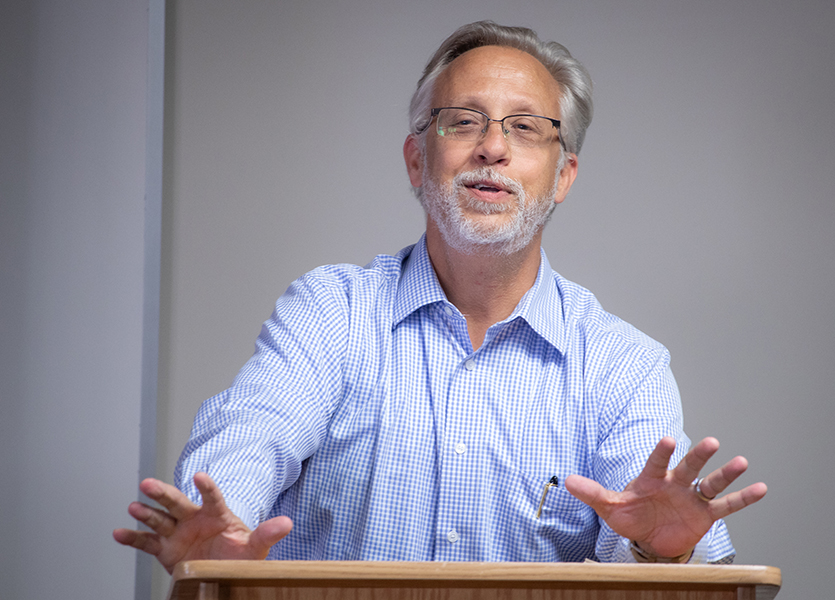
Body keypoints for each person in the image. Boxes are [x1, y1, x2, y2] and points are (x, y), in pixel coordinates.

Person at [114, 21, 766, 573]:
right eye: (463, 122)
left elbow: (684, 564)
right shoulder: (329, 312)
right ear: (417, 161)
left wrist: (661, 554)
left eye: (526, 128)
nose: (492, 148)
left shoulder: (624, 365)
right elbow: (254, 434)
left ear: (563, 175)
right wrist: (224, 519)